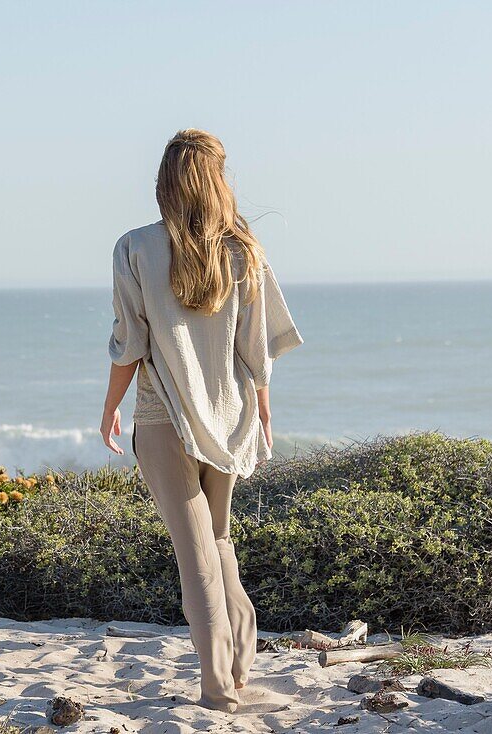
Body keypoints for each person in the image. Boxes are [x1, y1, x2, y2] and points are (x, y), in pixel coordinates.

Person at [100, 128, 303, 714]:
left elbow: (129, 344)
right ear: (218, 182)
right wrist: (263, 408)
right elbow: (256, 349)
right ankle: (238, 669)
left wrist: (111, 406)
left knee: (196, 558)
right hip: (231, 419)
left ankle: (218, 692)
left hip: (164, 421)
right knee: (218, 541)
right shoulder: (244, 250)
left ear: (164, 183)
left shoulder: (133, 248)